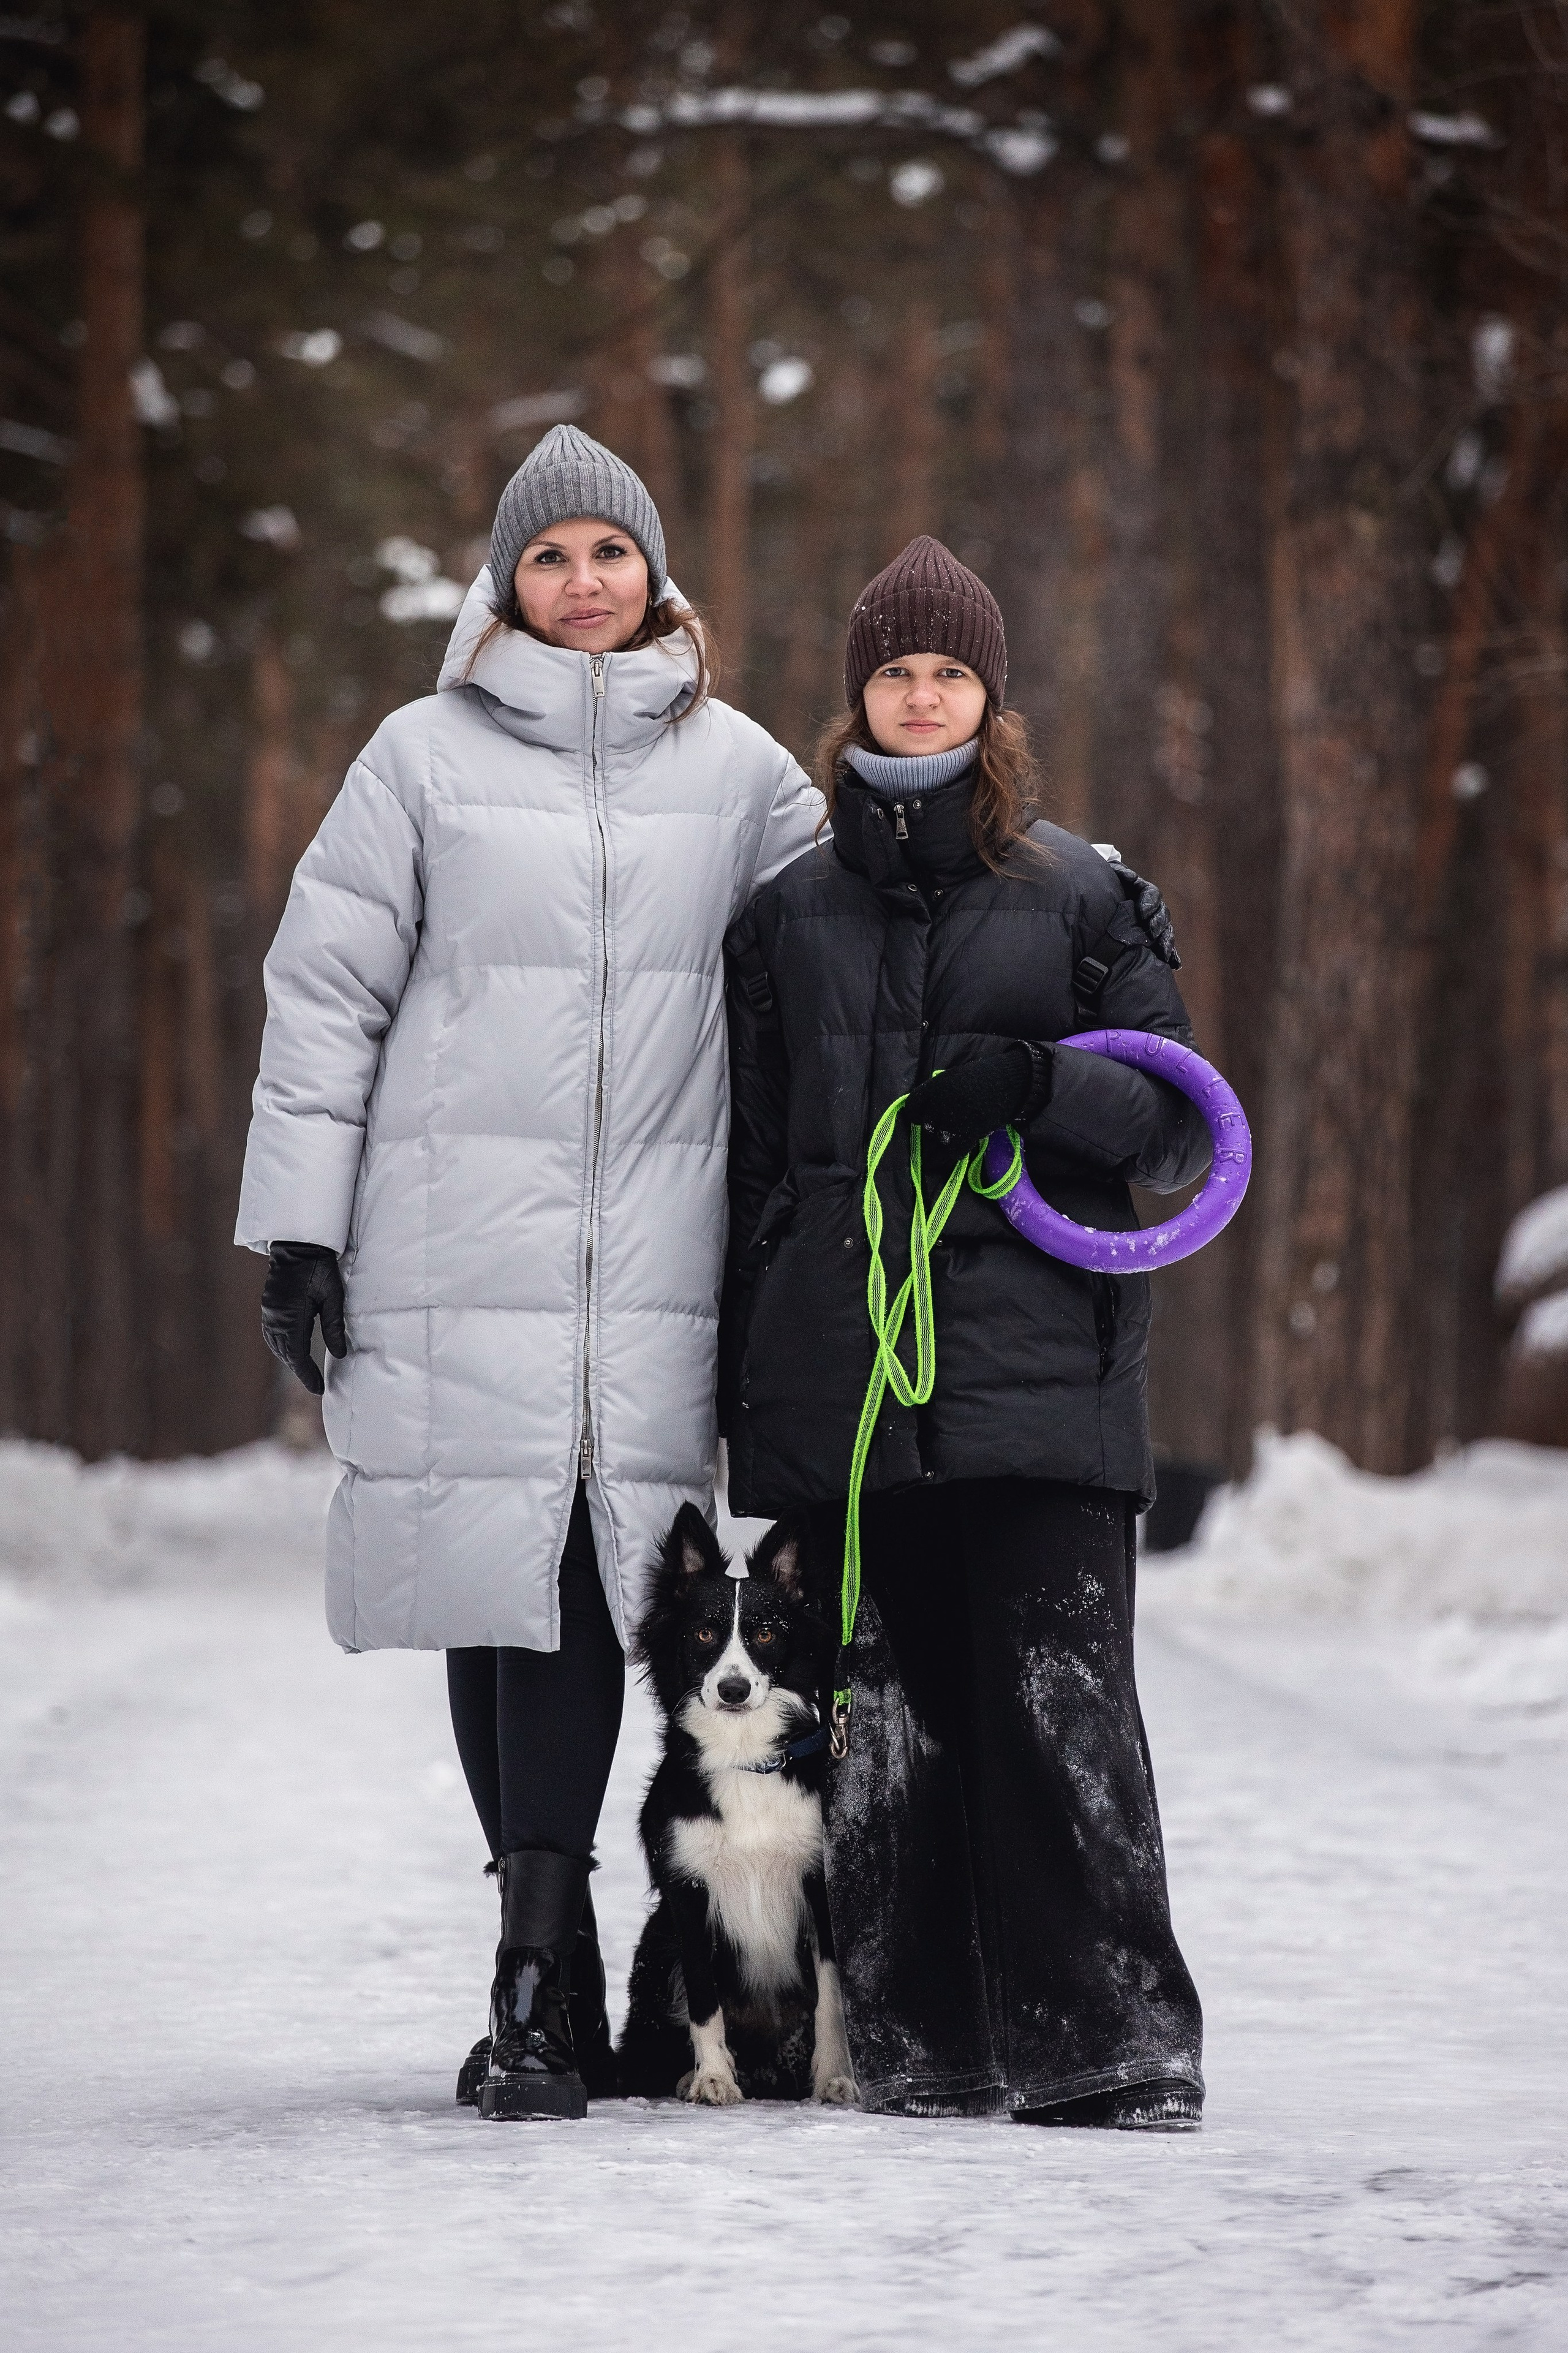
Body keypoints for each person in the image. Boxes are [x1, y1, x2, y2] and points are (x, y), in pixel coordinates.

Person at [235, 425, 823, 2120]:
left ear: (658, 579)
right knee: (497, 1589)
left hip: (657, 1252)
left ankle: (544, 1971)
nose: (582, 583)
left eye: (610, 555)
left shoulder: (745, 773)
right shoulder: (415, 758)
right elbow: (326, 993)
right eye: (549, 557)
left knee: (581, 1579)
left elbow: (850, 937)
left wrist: (1047, 891)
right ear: (505, 582)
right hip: (449, 1242)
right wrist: (304, 1225)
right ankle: (539, 1962)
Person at [720, 535, 1208, 2128]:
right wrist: (746, 1387)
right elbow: (747, 1164)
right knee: (889, 1730)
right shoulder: (784, 916)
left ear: (988, 696)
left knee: (1059, 1712)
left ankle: (1113, 2042)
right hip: (845, 1382)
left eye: (949, 671)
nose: (921, 693)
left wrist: (1036, 1084)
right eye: (894, 668)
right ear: (855, 690)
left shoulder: (1083, 894)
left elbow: (1172, 1121)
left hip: (1045, 1373)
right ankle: (929, 2045)